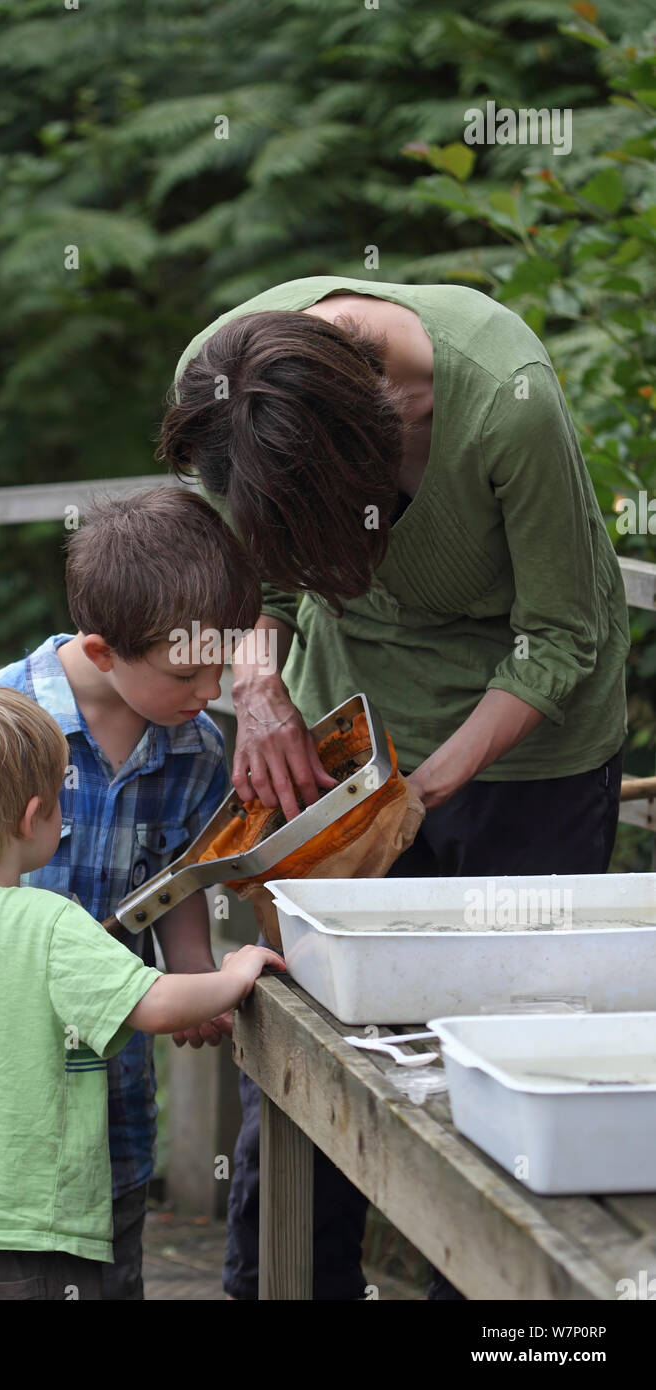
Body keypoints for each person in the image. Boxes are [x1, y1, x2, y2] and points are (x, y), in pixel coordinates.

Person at [160, 275, 630, 1300]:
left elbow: (558, 637)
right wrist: (257, 683)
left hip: (523, 751)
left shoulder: (505, 398)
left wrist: (416, 791)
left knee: (507, 1052)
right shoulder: (222, 377)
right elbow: (253, 575)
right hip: (347, 730)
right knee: (315, 1037)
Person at [0, 487, 265, 1300]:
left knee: (105, 1234)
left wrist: (190, 973)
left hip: (108, 1058)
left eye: (223, 661)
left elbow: (178, 875)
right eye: (187, 671)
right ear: (103, 652)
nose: (211, 688)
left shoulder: (196, 746)